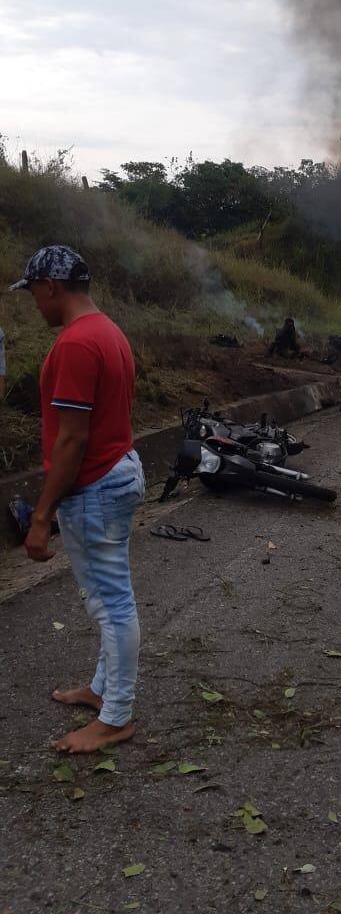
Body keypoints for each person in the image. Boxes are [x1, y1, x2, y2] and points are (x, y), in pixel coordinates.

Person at [9, 246, 145, 753]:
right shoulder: (108, 331)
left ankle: (116, 718)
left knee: (111, 605)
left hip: (94, 485)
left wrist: (41, 515)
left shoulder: (74, 345)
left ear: (51, 287)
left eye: (33, 295)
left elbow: (72, 439)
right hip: (118, 470)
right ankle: (103, 691)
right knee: (114, 596)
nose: (34, 305)